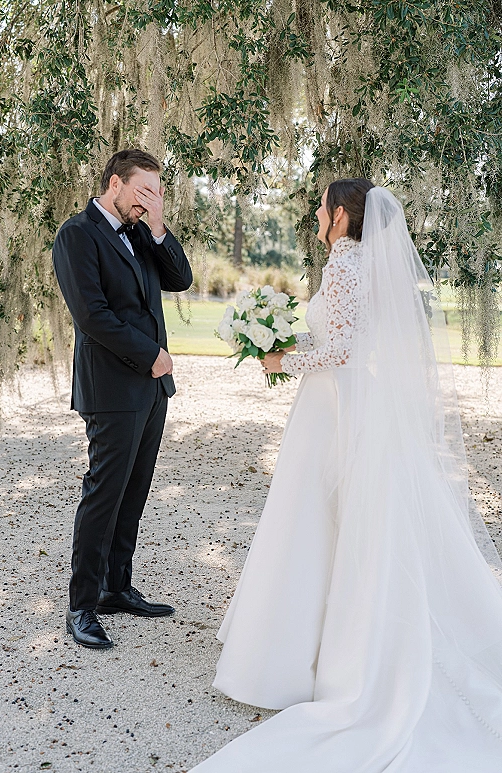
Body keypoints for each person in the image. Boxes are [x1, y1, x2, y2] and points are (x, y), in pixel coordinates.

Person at [191, 180, 502, 771]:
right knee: (345, 520)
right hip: (355, 399)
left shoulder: (340, 266)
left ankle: (298, 657)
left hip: (333, 403)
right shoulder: (364, 265)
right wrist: (282, 334)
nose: (315, 214)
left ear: (338, 216)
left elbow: (340, 351)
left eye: (320, 207)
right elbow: (343, 338)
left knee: (312, 519)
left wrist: (283, 358)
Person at [53, 149, 192, 649]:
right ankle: (82, 605)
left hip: (152, 389)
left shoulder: (139, 233)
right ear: (115, 183)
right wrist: (151, 354)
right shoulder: (77, 235)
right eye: (144, 191)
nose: (150, 200)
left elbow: (181, 280)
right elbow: (91, 315)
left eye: (157, 192)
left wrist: (157, 225)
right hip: (112, 387)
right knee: (104, 494)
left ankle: (116, 587)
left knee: (133, 492)